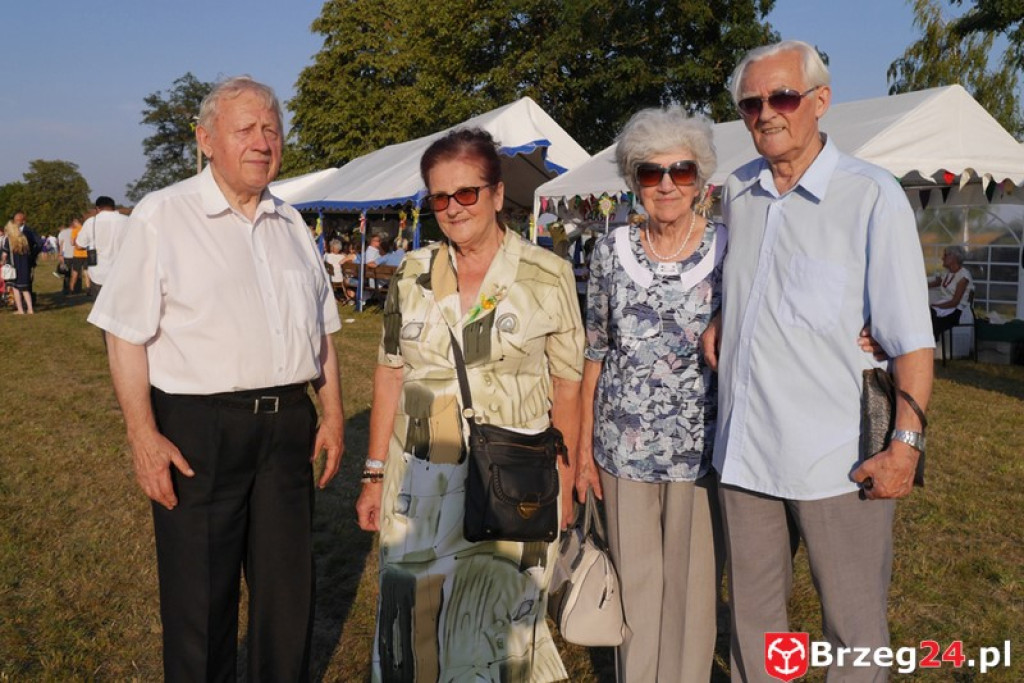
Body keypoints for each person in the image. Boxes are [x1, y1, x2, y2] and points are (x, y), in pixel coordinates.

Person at [87, 76, 344, 682]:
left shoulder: (292, 226)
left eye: (271, 130)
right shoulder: (162, 215)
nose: (262, 142)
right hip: (199, 430)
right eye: (246, 129)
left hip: (286, 432)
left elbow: (322, 333)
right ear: (206, 140)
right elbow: (124, 334)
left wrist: (332, 414)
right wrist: (143, 436)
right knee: (200, 601)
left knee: (288, 595)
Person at [702, 40, 934, 682]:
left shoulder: (871, 196)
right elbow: (747, 282)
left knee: (853, 632)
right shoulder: (739, 193)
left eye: (781, 97)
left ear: (819, 101)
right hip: (746, 454)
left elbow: (913, 339)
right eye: (751, 103)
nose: (765, 114)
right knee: (756, 627)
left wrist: (905, 447)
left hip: (839, 460)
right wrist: (728, 316)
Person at [355, 128, 584, 682]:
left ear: (498, 194)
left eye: (467, 193)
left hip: (514, 480)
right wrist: (373, 473)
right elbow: (390, 370)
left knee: (502, 626)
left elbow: (568, 385)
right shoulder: (411, 273)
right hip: (420, 487)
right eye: (440, 197)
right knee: (416, 625)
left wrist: (566, 477)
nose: (453, 208)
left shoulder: (546, 274)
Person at [575, 107, 722, 683]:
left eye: (680, 171)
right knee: (635, 585)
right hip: (622, 451)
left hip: (701, 453)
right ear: (632, 179)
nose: (665, 184)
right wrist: (584, 450)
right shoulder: (610, 250)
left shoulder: (729, 248)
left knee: (692, 587)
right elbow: (594, 351)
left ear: (699, 178)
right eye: (650, 172)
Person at [75, 195, 130, 298]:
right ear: (113, 207)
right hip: (122, 272)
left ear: (97, 208)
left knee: (100, 309)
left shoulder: (91, 222)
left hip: (98, 273)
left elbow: (78, 245)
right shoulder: (127, 221)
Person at [928, 245, 974, 339]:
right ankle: (928, 342)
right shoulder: (948, 273)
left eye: (945, 255)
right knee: (925, 314)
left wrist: (936, 306)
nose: (942, 258)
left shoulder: (963, 276)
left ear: (954, 257)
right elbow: (937, 282)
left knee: (930, 315)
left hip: (954, 312)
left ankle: (929, 343)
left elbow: (955, 302)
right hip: (944, 308)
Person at [3, 220, 35, 314]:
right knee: (25, 289)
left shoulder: (8, 240)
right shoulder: (23, 238)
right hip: (24, 266)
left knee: (16, 289)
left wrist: (3, 261)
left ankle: (20, 309)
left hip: (14, 267)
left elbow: (5, 254)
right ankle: (30, 309)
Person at [69, 217, 90, 293]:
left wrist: (74, 241)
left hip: (77, 254)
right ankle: (88, 289)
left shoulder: (75, 230)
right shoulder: (86, 230)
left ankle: (71, 289)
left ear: (76, 222)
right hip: (86, 254)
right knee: (86, 272)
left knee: (75, 272)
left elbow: (71, 243)